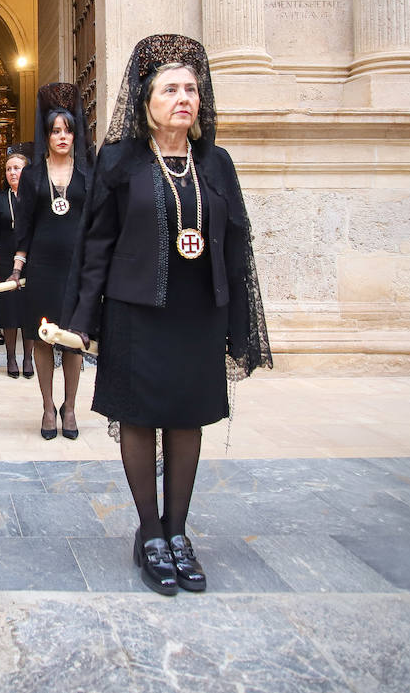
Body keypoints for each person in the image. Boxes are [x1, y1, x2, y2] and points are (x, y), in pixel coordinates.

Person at [64, 34, 272, 596]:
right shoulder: (119, 161)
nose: (184, 97)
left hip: (197, 314)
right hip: (135, 313)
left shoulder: (216, 163)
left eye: (191, 88)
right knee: (139, 418)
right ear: (146, 100)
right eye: (171, 88)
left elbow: (237, 244)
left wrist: (239, 328)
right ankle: (150, 533)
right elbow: (96, 247)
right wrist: (83, 320)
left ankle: (179, 533)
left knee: (186, 419)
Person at [9, 84, 95, 440]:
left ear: (76, 134)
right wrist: (17, 267)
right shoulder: (31, 176)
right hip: (42, 268)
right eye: (56, 130)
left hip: (76, 270)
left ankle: (70, 407)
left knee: (73, 340)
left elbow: (96, 226)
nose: (62, 136)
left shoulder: (88, 174)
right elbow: (25, 226)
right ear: (46, 135)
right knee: (44, 338)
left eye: (68, 130)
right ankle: (47, 406)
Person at [0, 143, 34, 377]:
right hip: (6, 260)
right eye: (8, 169)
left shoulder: (36, 197)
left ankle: (28, 358)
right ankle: (10, 357)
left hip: (32, 261)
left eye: (16, 168)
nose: (12, 173)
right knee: (9, 311)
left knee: (28, 312)